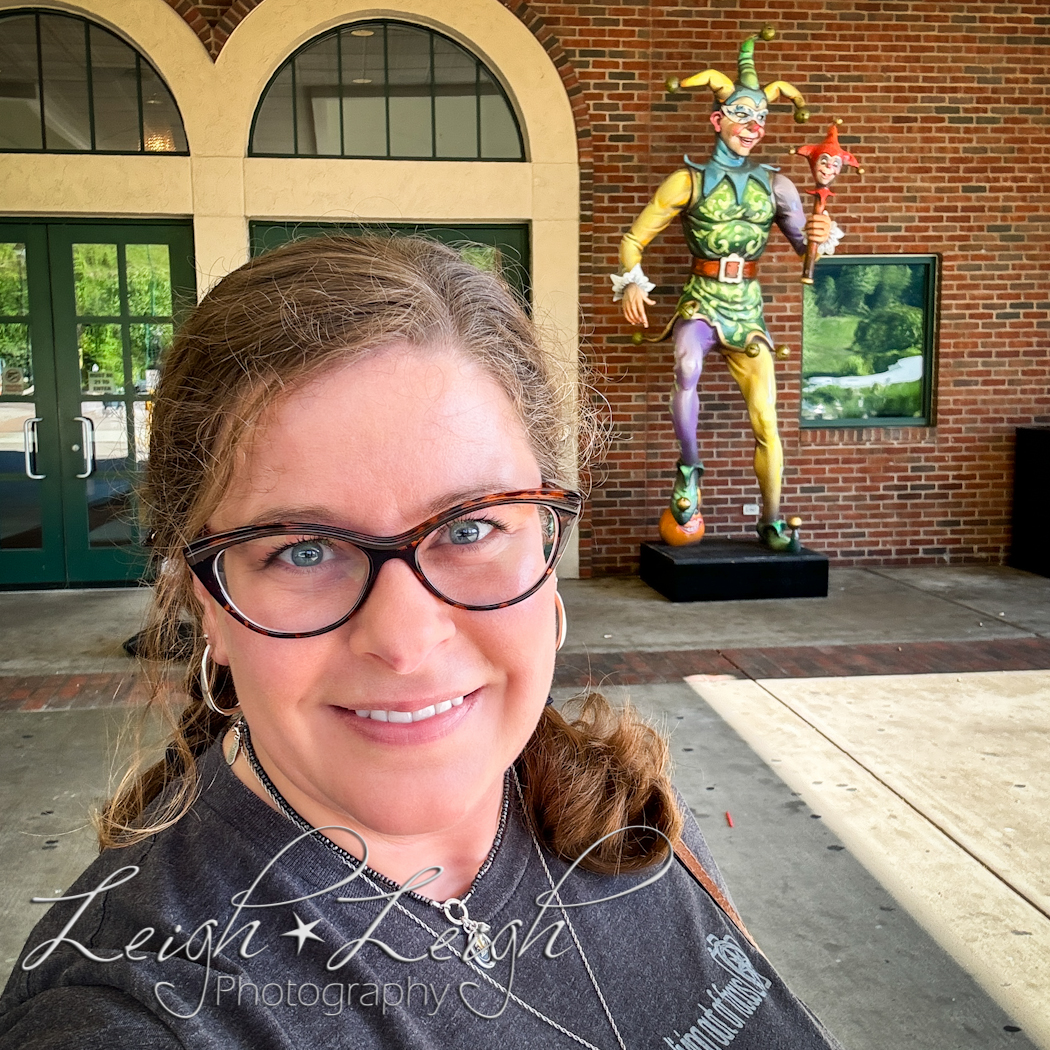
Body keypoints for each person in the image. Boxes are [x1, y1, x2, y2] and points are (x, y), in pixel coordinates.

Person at [0, 236, 842, 1049]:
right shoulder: (136, 1006)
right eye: (304, 550)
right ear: (207, 604)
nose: (405, 640)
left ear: (547, 554)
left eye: (472, 526)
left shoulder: (623, 811)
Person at [612, 29, 841, 551]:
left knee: (767, 419)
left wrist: (824, 239)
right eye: (741, 115)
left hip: (748, 306)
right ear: (718, 119)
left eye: (760, 118)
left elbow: (807, 246)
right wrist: (632, 283)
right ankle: (689, 468)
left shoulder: (779, 185)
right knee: (686, 366)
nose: (752, 127)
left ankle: (773, 518)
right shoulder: (686, 180)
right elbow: (632, 238)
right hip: (703, 296)